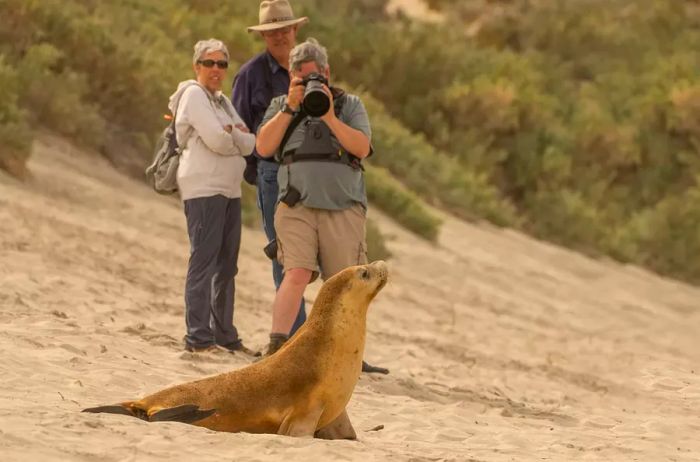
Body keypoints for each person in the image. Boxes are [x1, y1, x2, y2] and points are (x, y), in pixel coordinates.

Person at [256, 38, 390, 377]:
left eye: (315, 77)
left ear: (327, 73)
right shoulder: (280, 105)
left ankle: (346, 353)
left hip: (342, 207)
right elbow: (264, 146)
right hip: (297, 205)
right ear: (291, 76)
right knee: (296, 274)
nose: (310, 84)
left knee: (346, 283)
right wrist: (290, 107)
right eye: (301, 78)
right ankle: (277, 345)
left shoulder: (350, 105)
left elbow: (361, 147)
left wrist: (328, 115)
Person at [171, 38, 258, 356]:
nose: (216, 69)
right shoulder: (194, 95)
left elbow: (251, 144)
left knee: (226, 266)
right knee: (203, 262)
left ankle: (224, 334)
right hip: (203, 188)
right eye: (209, 63)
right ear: (197, 66)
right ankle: (198, 337)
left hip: (230, 190)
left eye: (222, 63)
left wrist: (234, 136)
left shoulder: (221, 100)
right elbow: (219, 141)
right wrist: (235, 135)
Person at [232, 0, 309, 336]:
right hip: (272, 175)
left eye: (284, 29)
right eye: (272, 31)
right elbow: (239, 129)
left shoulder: (310, 69)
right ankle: (296, 337)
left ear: (295, 30)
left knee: (330, 257)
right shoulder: (250, 75)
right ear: (265, 36)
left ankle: (329, 341)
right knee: (285, 255)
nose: (279, 36)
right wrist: (257, 172)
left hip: (312, 174)